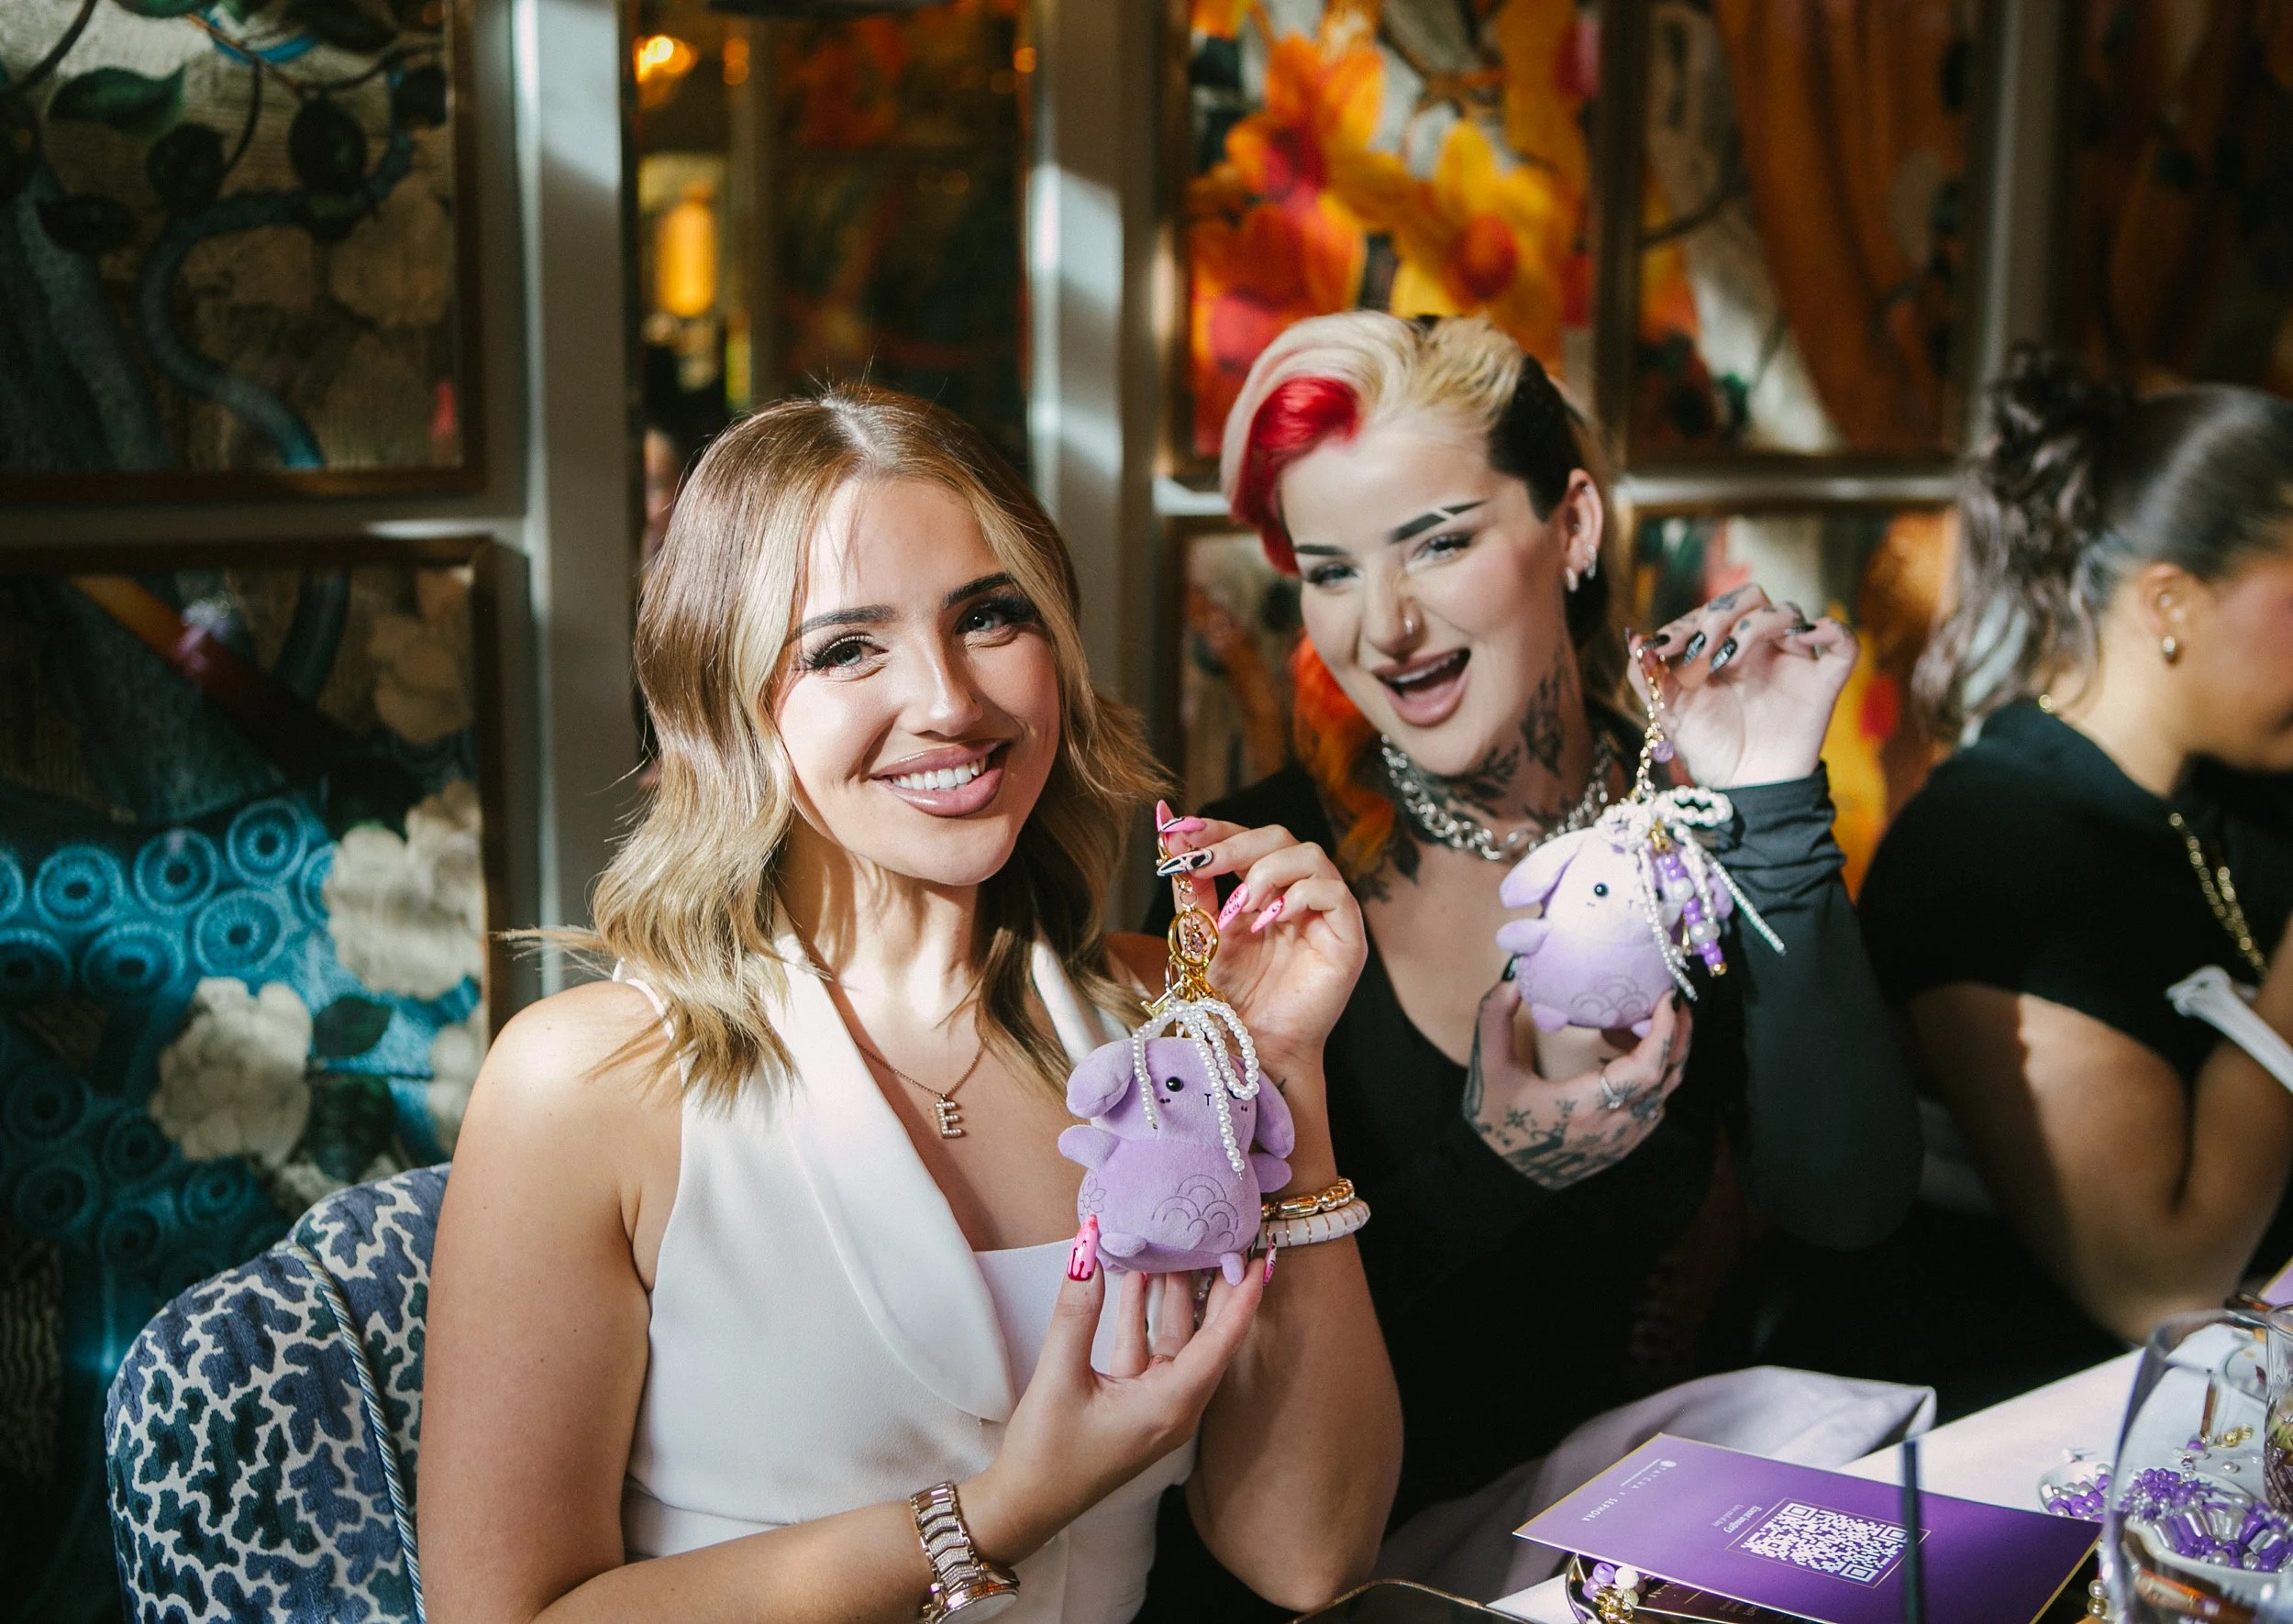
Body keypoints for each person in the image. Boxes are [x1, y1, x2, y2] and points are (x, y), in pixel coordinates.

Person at [416, 385, 1401, 1624]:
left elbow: (1307, 1551)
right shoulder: (587, 1082)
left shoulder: (1168, 1009)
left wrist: (1280, 1072)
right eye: (845, 646)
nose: (948, 698)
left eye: (989, 616)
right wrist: (991, 1515)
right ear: (728, 705)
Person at [1142, 312, 1923, 1607]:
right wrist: (1489, 1171)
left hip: (1672, 1566)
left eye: (1438, 542)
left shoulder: (1702, 812)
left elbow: (1849, 1204)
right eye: (1331, 569)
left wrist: (1778, 800)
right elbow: (1203, 1376)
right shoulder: (1247, 881)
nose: (1386, 623)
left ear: (1572, 526)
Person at [1771, 347, 2293, 1417]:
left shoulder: (2240, 798)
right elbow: (2160, 1278)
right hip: (2022, 1459)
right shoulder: (1992, 848)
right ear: (2171, 603)